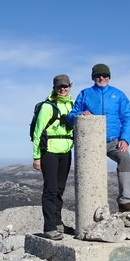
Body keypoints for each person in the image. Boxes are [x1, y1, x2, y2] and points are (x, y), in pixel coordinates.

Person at [68, 63, 130, 212]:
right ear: (93, 77)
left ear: (109, 77)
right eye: (98, 75)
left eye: (105, 75)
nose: (101, 78)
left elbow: (127, 118)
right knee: (89, 172)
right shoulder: (85, 93)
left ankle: (125, 202)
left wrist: (124, 139)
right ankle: (91, 207)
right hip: (91, 141)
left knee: (125, 160)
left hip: (113, 141)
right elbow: (71, 115)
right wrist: (80, 114)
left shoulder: (119, 95)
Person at [32, 74, 75, 240]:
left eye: (65, 86)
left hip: (66, 151)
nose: (63, 89)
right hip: (49, 151)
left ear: (70, 86)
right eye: (59, 87)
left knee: (59, 189)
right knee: (50, 189)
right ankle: (49, 227)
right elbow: (38, 132)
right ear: (54, 88)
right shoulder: (48, 106)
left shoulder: (72, 105)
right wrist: (37, 156)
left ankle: (58, 223)